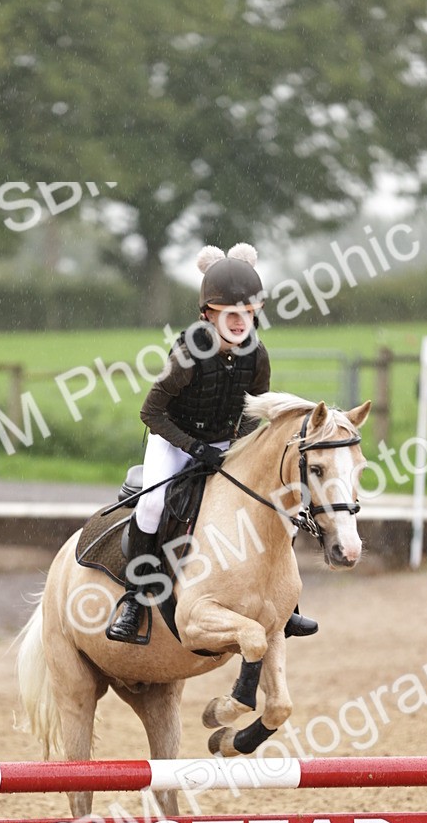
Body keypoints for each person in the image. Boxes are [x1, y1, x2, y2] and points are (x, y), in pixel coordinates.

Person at [107, 242, 317, 643]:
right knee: (153, 503)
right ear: (208, 314)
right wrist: (193, 447)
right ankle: (136, 597)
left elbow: (254, 415)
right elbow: (150, 413)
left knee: (273, 501)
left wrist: (235, 447)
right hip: (171, 438)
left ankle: (286, 604)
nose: (241, 321)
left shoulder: (257, 356)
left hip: (223, 443)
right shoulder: (189, 352)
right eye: (230, 314)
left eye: (248, 313)